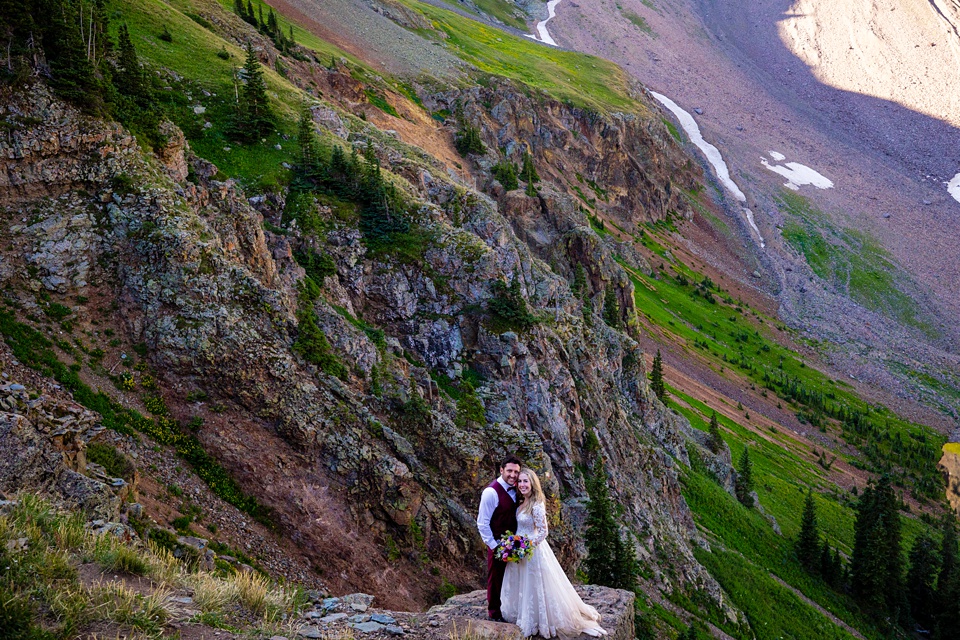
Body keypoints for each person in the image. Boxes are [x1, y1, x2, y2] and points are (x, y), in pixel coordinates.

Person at [501, 468, 608, 638]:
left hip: (532, 551)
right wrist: (514, 545)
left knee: (535, 584)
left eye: (525, 481)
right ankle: (525, 614)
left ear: (532, 484)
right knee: (523, 583)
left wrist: (526, 546)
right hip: (521, 549)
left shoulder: (536, 504)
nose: (522, 484)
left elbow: (543, 532)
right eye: (520, 481)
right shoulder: (522, 503)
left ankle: (540, 619)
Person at [477, 454, 522, 621]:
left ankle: (513, 609)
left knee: (514, 577)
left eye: (516, 472)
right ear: (501, 470)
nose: (513, 475)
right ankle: (494, 613)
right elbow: (482, 522)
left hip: (516, 542)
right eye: (509, 471)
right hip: (498, 543)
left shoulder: (519, 487)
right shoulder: (491, 492)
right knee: (496, 579)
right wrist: (494, 546)